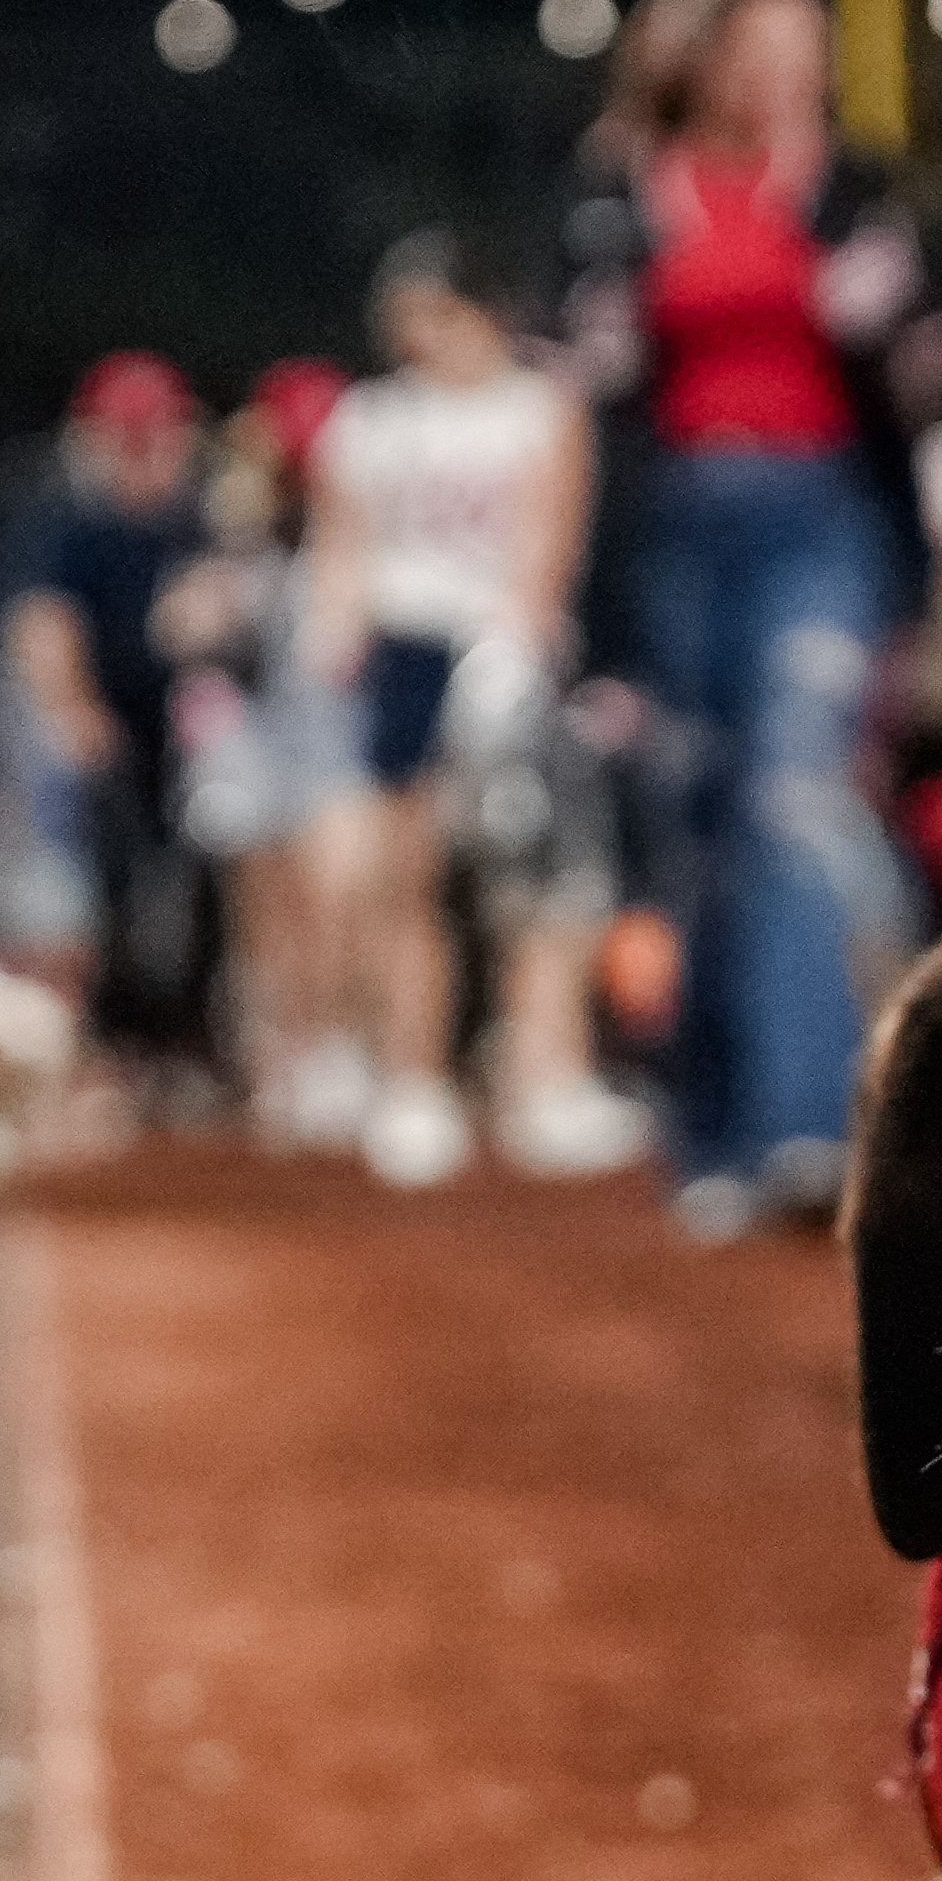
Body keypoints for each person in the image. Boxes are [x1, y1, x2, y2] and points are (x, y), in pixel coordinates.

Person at [559, 0, 942, 1239]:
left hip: (819, 519)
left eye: (811, 46)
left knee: (795, 802)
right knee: (698, 822)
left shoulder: (857, 195)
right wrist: (593, 618)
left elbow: (936, 371)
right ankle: (712, 1130)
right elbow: (590, 400)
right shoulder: (630, 195)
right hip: (677, 525)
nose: (788, 71)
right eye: (761, 46)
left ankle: (808, 1124)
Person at [298, 234, 642, 1190]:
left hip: (508, 655)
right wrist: (337, 635)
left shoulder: (537, 409)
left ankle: (543, 1076)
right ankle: (412, 1077)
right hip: (409, 646)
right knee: (411, 870)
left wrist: (516, 642)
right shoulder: (370, 419)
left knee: (542, 879)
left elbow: (552, 533)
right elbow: (343, 544)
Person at [155, 358, 361, 1147]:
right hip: (246, 727)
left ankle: (334, 1046)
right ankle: (278, 1055)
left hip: (329, 728)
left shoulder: (351, 522)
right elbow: (182, 617)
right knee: (265, 902)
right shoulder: (227, 508)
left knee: (332, 891)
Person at [0, 351, 213, 1081]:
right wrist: (74, 710)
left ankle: (189, 1039)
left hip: (193, 743)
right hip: (110, 734)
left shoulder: (198, 518)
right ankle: (111, 1039)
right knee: (107, 889)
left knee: (204, 893)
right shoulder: (73, 523)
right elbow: (42, 622)